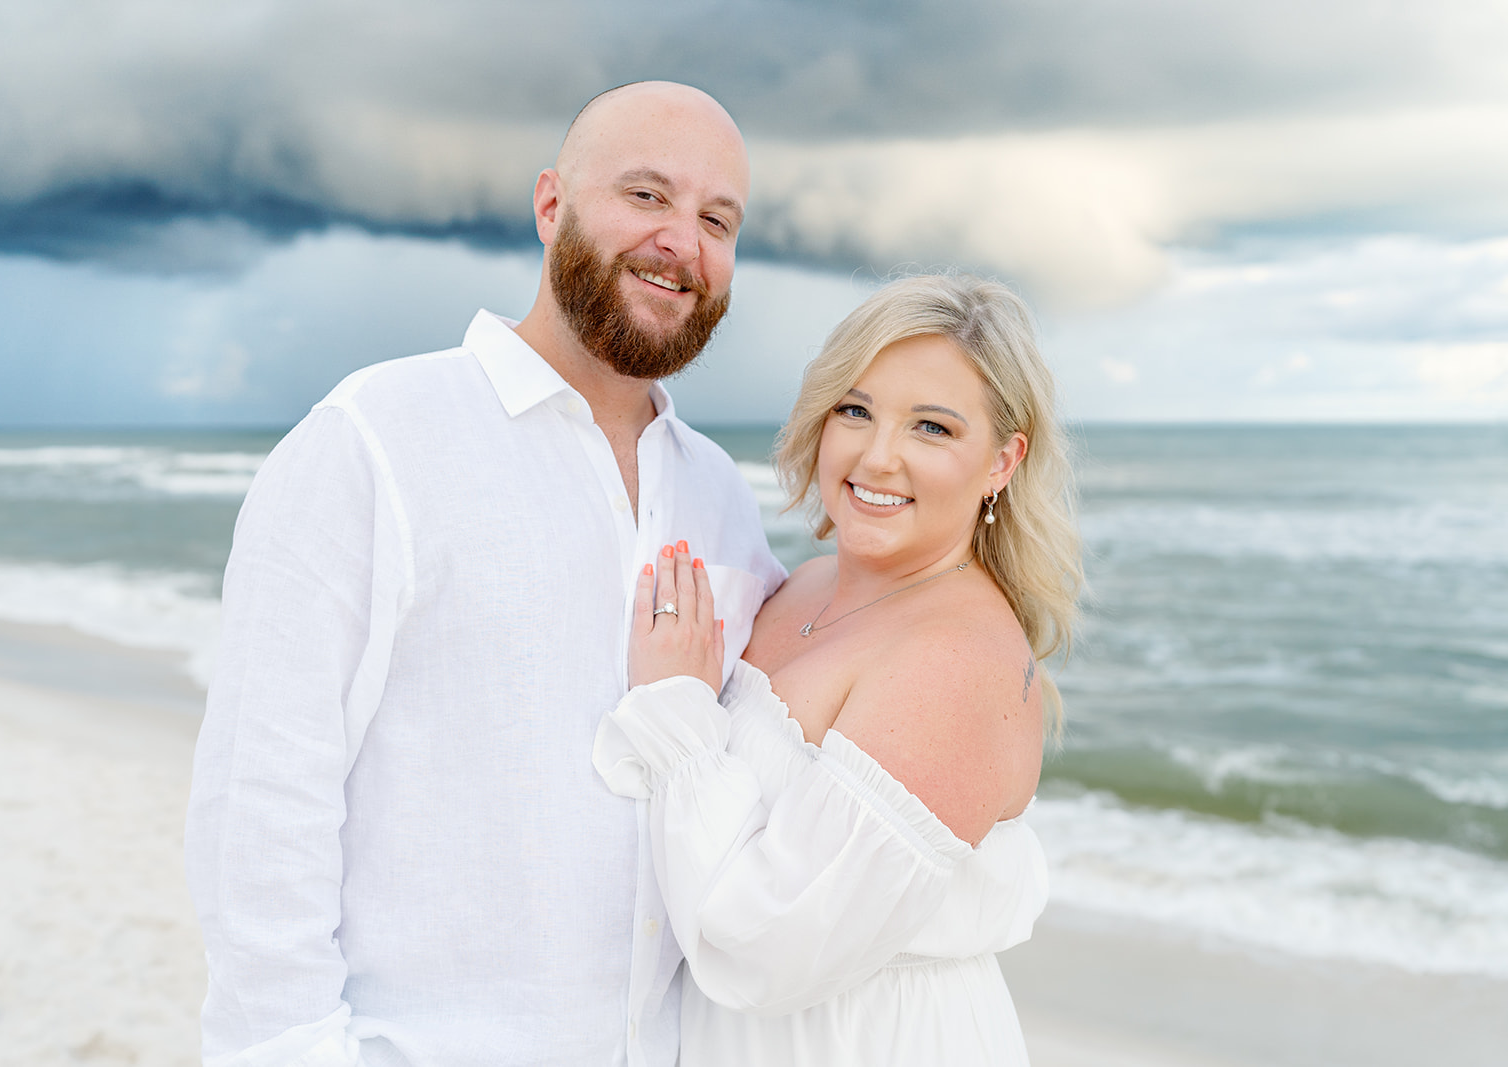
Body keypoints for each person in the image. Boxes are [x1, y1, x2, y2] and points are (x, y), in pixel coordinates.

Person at [185, 82, 785, 1067]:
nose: (682, 241)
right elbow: (260, 801)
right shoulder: (373, 440)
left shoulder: (717, 490)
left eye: (717, 219)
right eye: (645, 196)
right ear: (551, 205)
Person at [594, 273, 1082, 1065]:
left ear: (1002, 460)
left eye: (932, 428)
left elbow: (758, 944)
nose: (877, 456)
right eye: (855, 410)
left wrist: (673, 706)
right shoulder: (809, 583)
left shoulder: (955, 658)